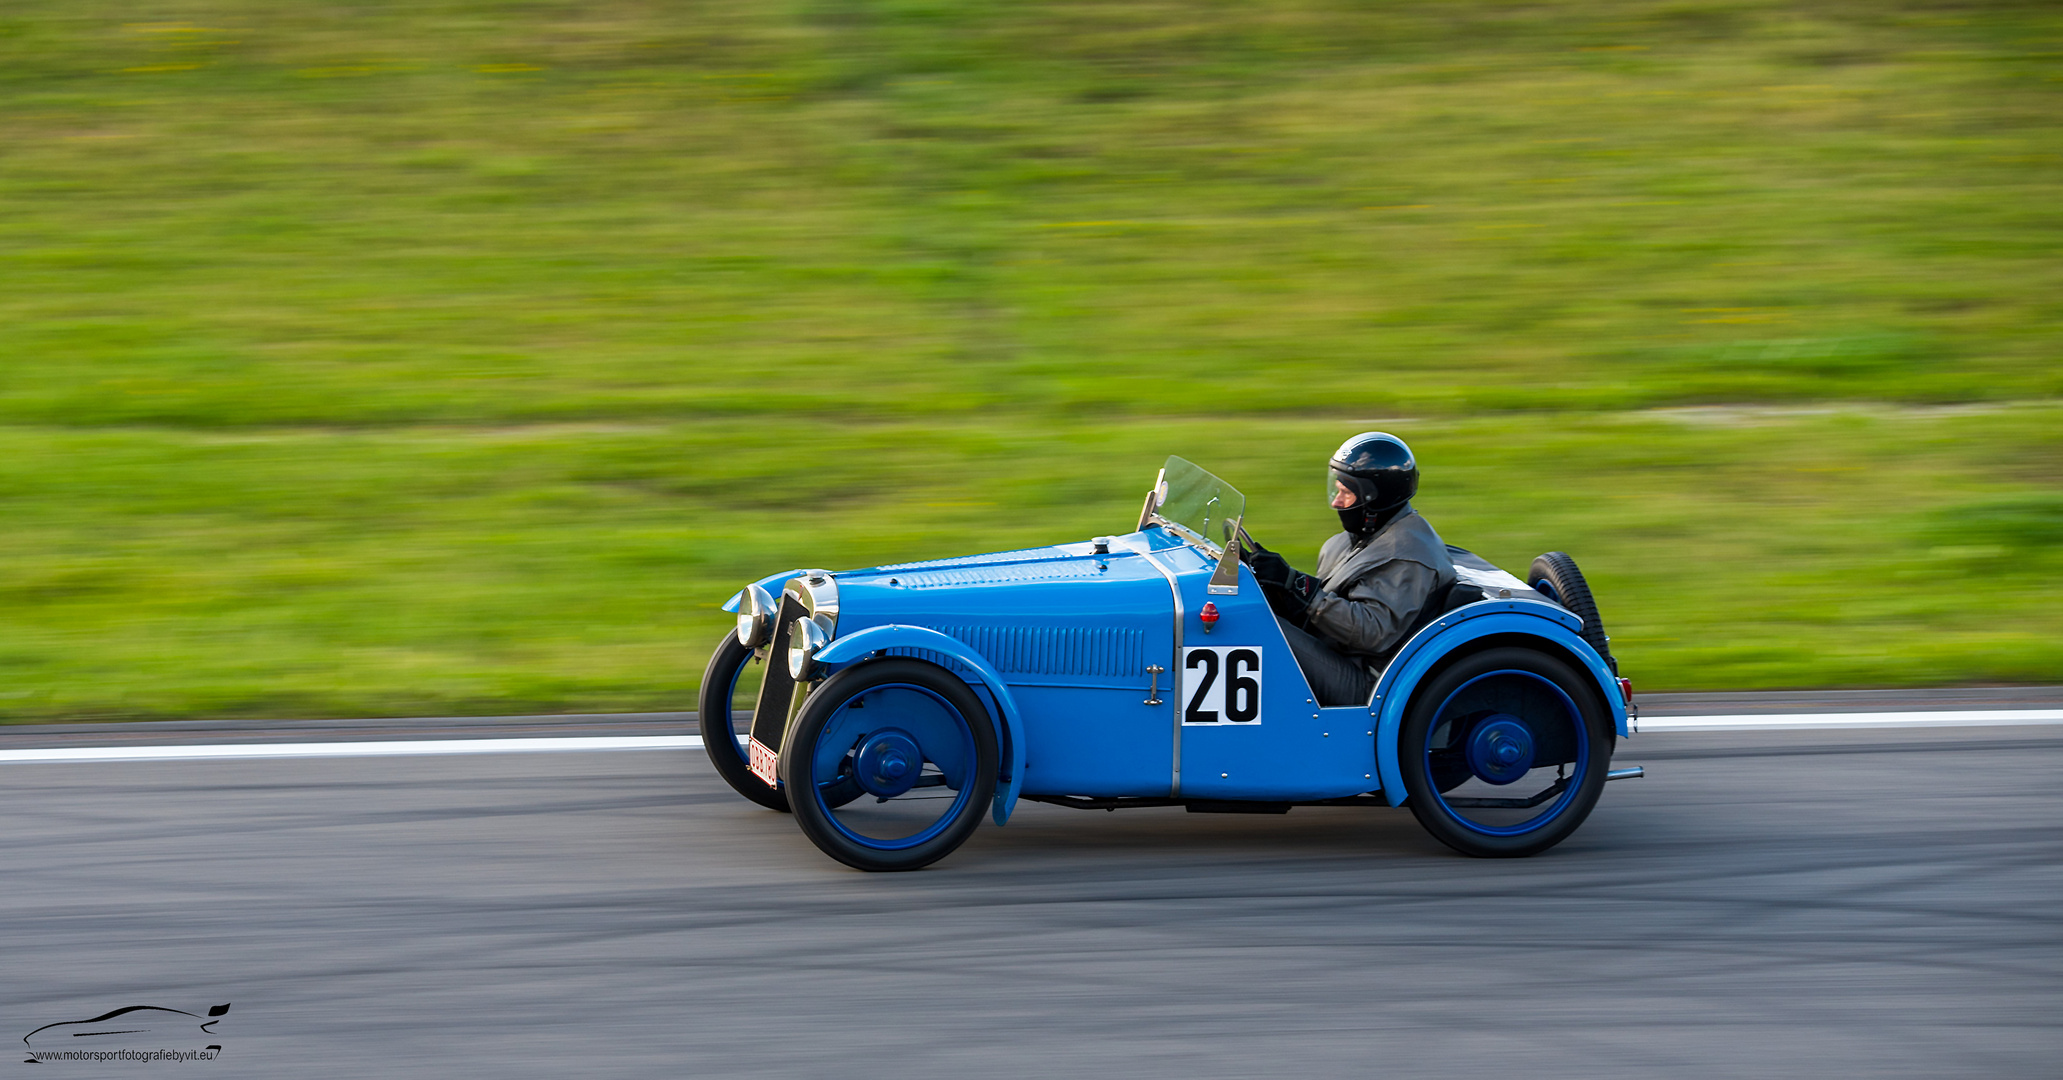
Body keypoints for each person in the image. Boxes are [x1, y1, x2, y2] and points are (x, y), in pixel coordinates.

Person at [1244, 432, 1457, 707]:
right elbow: (1325, 605)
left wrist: (1298, 586)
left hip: (1367, 684)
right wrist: (1278, 587)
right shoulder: (1361, 538)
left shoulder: (1407, 558)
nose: (1336, 502)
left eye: (1346, 493)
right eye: (1336, 490)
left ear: (1374, 499)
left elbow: (1372, 631)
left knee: (1253, 627)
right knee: (1252, 609)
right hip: (1336, 653)